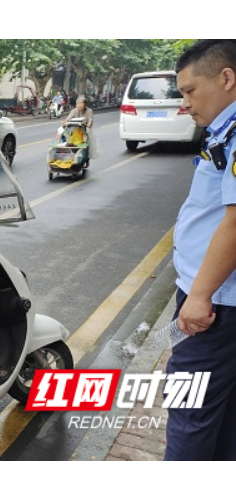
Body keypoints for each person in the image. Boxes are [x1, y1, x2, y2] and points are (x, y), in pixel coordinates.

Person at [165, 39, 236, 462]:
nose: (185, 103)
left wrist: (198, 295)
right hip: (222, 303)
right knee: (221, 415)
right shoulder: (223, 133)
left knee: (189, 410)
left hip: (214, 307)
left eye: (190, 91)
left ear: (226, 78)